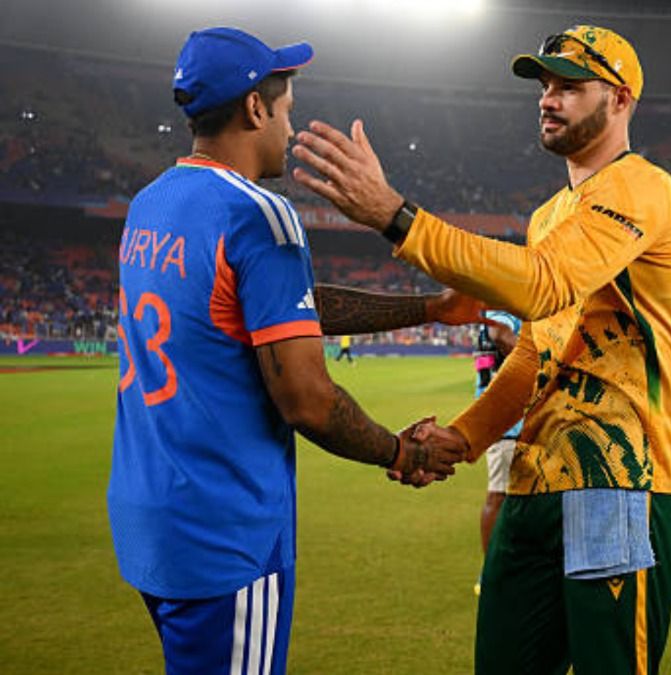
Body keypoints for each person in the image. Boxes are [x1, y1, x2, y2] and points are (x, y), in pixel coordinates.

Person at [292, 25, 671, 675]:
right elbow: (536, 351)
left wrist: (398, 217)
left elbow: (542, 286)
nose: (548, 98)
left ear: (620, 100)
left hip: (622, 479)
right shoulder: (547, 218)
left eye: (570, 86)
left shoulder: (642, 188)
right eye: (544, 86)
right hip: (535, 480)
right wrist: (463, 437)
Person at [107, 28, 464, 674]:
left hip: (150, 519)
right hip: (228, 534)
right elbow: (307, 399)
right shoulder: (260, 215)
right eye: (288, 109)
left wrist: (429, 309)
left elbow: (283, 312)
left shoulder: (148, 206)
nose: (290, 126)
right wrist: (403, 450)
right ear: (254, 108)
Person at [473, 310, 522, 592]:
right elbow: (500, 334)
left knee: (511, 497)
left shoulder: (491, 308)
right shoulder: (500, 308)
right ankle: (490, 571)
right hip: (508, 422)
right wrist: (548, 362)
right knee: (499, 495)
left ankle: (506, 566)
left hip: (505, 420)